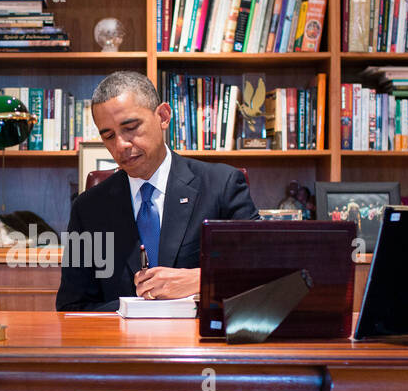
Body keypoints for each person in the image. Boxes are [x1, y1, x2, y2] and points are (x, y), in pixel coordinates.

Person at [55, 71, 259, 311]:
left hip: (198, 342)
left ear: (163, 116)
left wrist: (200, 280)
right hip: (121, 343)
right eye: (108, 136)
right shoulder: (89, 208)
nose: (121, 145)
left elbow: (263, 271)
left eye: (130, 127)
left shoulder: (221, 185)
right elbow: (73, 306)